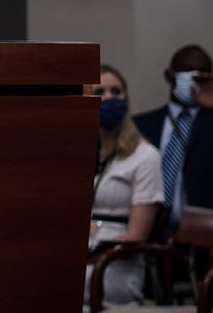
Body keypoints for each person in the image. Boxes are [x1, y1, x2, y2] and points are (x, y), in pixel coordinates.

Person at [85, 64, 162, 311]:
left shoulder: (145, 156)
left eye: (116, 92)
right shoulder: (83, 152)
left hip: (114, 263)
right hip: (80, 257)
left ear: (126, 100)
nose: (109, 98)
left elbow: (137, 235)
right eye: (100, 92)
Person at [133, 45, 213, 229]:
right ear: (169, 75)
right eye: (187, 71)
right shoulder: (141, 125)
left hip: (203, 234)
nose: (194, 78)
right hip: (149, 232)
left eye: (202, 74)